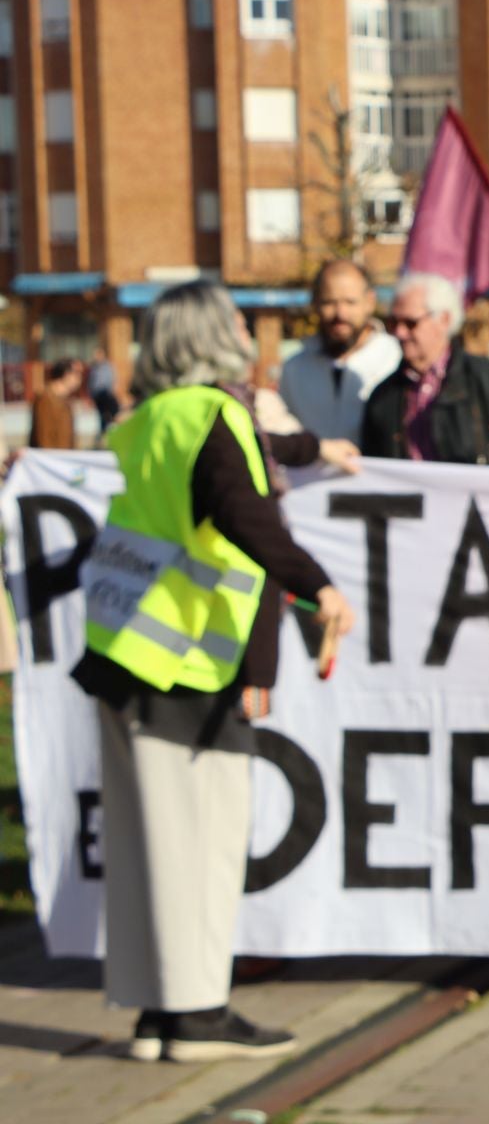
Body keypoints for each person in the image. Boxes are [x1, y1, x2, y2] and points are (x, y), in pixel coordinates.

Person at [70, 280, 356, 1063]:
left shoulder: (149, 420)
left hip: (124, 654)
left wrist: (314, 450)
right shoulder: (216, 415)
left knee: (144, 846)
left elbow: (237, 472)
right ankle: (198, 1014)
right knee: (202, 840)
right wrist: (318, 584)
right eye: (232, 318)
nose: (243, 328)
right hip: (188, 665)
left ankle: (157, 1012)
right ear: (209, 335)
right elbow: (244, 508)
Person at [361, 274, 489, 464]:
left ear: (444, 319)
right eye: (393, 323)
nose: (400, 333)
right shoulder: (383, 397)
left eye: (410, 323)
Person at [276, 260, 403, 445]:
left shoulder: (395, 359)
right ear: (315, 303)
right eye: (329, 302)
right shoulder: (294, 369)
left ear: (370, 302)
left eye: (350, 302)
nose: (340, 314)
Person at [30, 359, 85, 448]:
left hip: (63, 458)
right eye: (77, 373)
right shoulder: (46, 399)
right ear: (66, 374)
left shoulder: (65, 401)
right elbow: (44, 436)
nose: (80, 378)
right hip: (51, 459)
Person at [88, 346, 121, 428]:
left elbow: (114, 379)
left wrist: (113, 391)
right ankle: (103, 430)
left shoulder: (108, 366)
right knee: (101, 415)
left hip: (106, 393)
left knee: (110, 413)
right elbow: (91, 382)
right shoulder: (94, 368)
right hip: (97, 395)